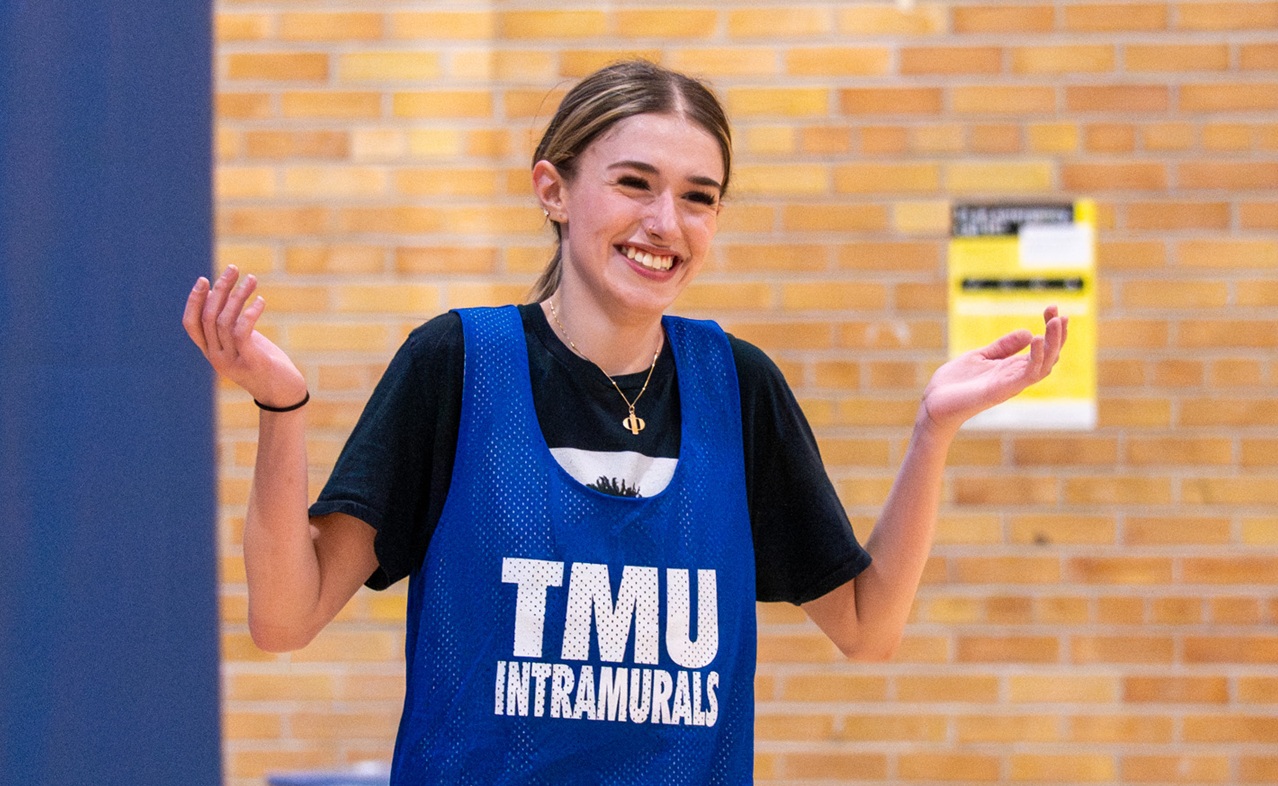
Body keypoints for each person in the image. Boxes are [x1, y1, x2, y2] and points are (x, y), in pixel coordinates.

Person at [183, 60, 1066, 784]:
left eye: (699, 197)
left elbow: (869, 628)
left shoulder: (738, 386)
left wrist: (932, 433)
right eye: (635, 184)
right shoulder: (459, 364)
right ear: (554, 189)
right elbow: (285, 618)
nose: (664, 223)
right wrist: (281, 408)